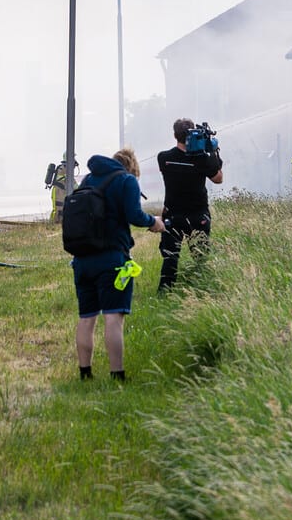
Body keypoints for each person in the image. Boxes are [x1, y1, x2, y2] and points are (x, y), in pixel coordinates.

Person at [71, 147, 164, 381]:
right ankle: (117, 375)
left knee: (86, 317)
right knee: (113, 316)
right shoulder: (127, 181)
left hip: (82, 259)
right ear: (133, 167)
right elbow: (134, 215)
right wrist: (153, 222)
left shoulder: (88, 179)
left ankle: (85, 373)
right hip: (112, 258)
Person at [156, 117, 223, 293]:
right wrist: (213, 151)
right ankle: (203, 291)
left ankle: (165, 293)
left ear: (174, 135)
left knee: (170, 258)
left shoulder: (164, 158)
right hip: (198, 215)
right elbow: (218, 178)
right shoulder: (202, 159)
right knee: (200, 257)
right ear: (194, 134)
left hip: (173, 216)